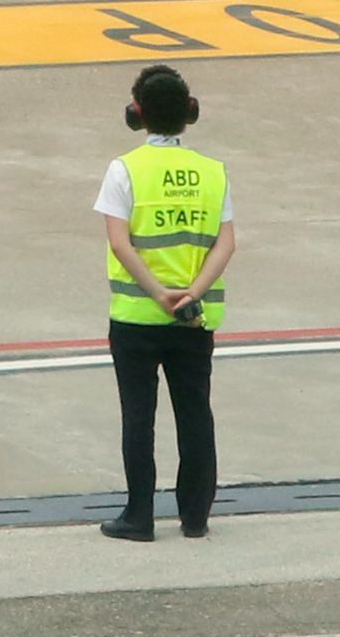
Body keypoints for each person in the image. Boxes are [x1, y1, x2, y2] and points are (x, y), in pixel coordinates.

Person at [97, 61, 237, 541]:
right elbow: (226, 243)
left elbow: (120, 243)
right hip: (194, 322)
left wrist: (158, 294)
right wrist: (191, 295)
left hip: (137, 317)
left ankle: (138, 516)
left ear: (136, 112)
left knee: (139, 418)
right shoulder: (212, 172)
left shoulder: (125, 170)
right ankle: (196, 517)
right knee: (195, 413)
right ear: (189, 113)